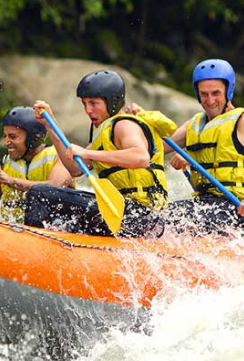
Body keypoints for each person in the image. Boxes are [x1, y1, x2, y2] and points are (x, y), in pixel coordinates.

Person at [29, 70, 177, 237]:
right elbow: (75, 168)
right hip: (122, 211)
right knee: (56, 203)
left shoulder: (124, 125)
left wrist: (89, 153)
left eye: (93, 103)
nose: (88, 110)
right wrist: (50, 125)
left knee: (41, 193)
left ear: (113, 102)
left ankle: (35, 244)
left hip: (140, 215)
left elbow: (140, 157)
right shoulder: (105, 134)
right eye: (84, 103)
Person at [164, 59, 244, 234]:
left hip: (238, 208)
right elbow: (159, 146)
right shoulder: (195, 124)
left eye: (216, 93)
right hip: (205, 204)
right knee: (162, 215)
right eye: (204, 94)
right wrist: (139, 123)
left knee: (179, 222)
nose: (210, 101)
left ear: (228, 91)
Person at [0, 106, 73, 223]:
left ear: (34, 137)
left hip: (53, 231)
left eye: (13, 136)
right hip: (12, 233)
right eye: (5, 136)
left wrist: (11, 181)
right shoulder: (2, 166)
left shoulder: (61, 158)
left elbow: (53, 187)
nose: (6, 142)